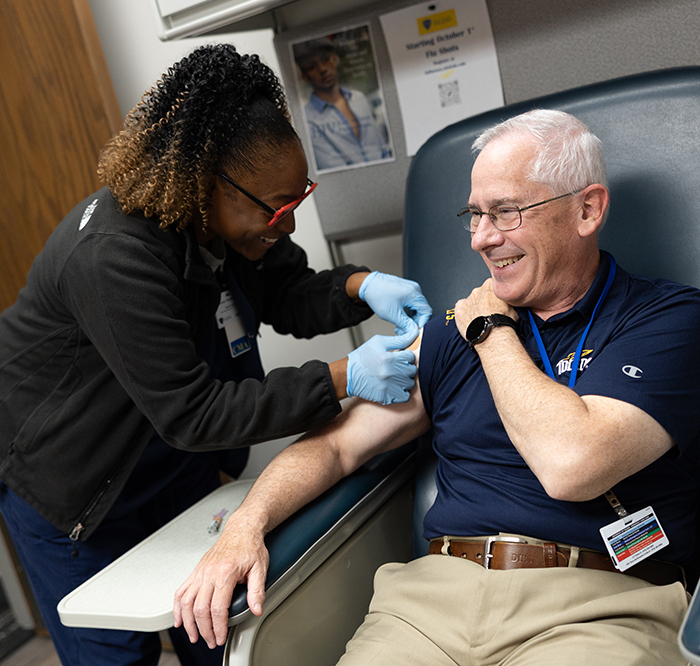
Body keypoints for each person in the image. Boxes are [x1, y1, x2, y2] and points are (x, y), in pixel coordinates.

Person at [173, 109, 700, 664]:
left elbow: (573, 466)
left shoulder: (667, 320)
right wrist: (244, 526)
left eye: (505, 212)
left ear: (587, 209)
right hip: (432, 604)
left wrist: (492, 331)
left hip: (596, 606)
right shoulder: (449, 336)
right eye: (474, 215)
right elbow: (336, 445)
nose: (481, 239)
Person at [0, 44, 431, 666]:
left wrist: (362, 286)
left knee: (214, 634)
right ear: (205, 182)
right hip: (78, 484)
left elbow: (287, 291)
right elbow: (195, 413)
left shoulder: (230, 228)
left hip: (172, 462)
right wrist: (347, 375)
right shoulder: (114, 256)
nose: (285, 227)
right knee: (114, 657)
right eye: (274, 209)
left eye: (297, 201)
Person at [294, 38, 392, 170]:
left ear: (334, 60)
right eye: (311, 66)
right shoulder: (308, 120)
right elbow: (334, 169)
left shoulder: (359, 98)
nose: (322, 69)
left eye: (325, 59)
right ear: (304, 76)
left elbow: (382, 149)